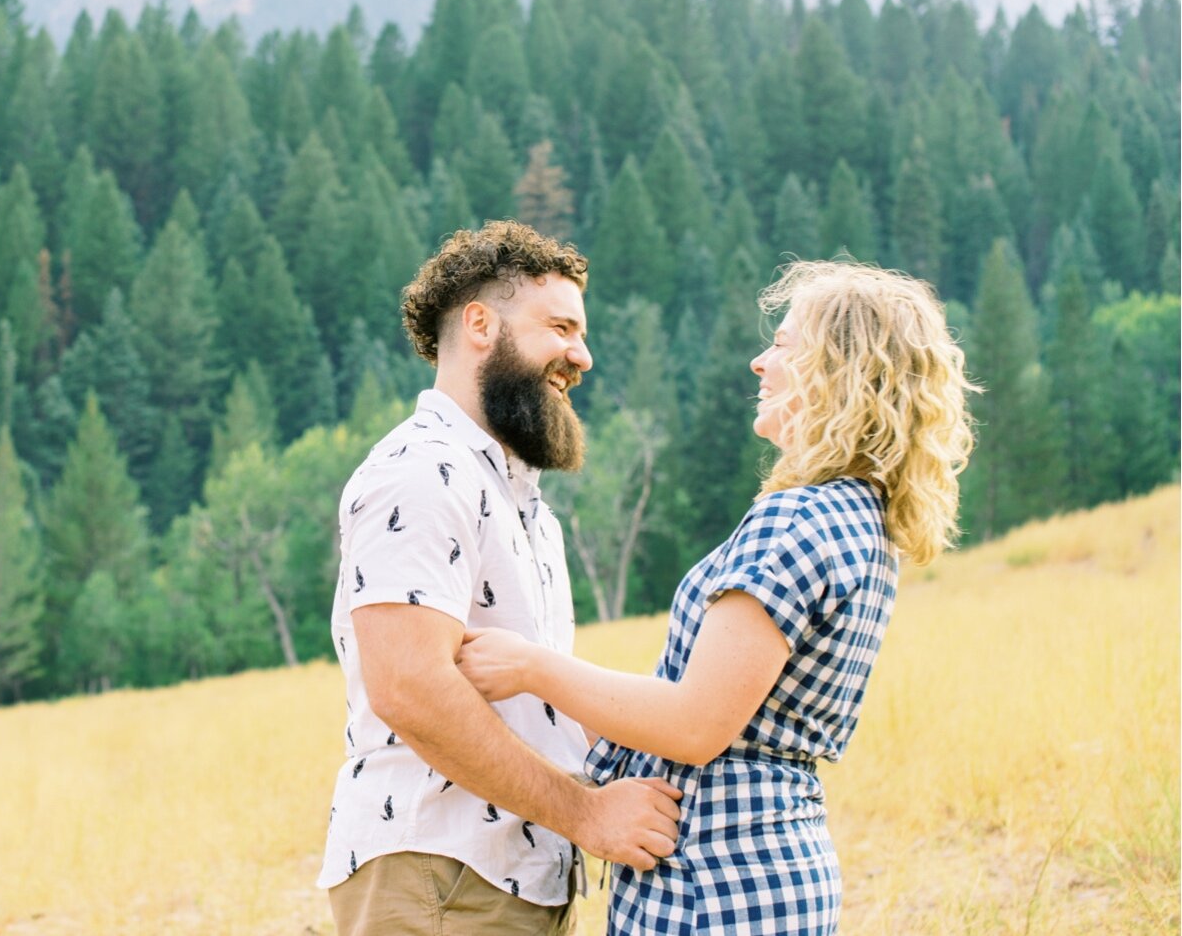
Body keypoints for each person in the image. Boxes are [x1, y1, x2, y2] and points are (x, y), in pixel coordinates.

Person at [456, 260, 977, 934]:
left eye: (784, 346)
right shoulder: (861, 521)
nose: (761, 363)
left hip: (716, 878)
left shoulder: (795, 520)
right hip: (772, 865)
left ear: (839, 369)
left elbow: (696, 723)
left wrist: (532, 667)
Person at [318, 221, 683, 935]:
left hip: (506, 876)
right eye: (560, 327)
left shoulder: (521, 500)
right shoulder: (420, 473)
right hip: (444, 874)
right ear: (480, 324)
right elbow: (409, 688)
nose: (581, 355)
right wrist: (586, 813)